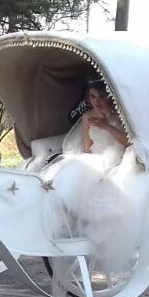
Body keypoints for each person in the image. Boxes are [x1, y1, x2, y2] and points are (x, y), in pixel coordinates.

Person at [43, 77, 140, 279]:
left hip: (118, 158)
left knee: (82, 172)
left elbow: (130, 142)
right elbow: (87, 148)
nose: (97, 101)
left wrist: (107, 126)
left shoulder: (122, 116)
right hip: (96, 158)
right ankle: (65, 219)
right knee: (71, 169)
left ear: (110, 96)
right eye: (93, 97)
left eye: (102, 96)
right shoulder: (87, 117)